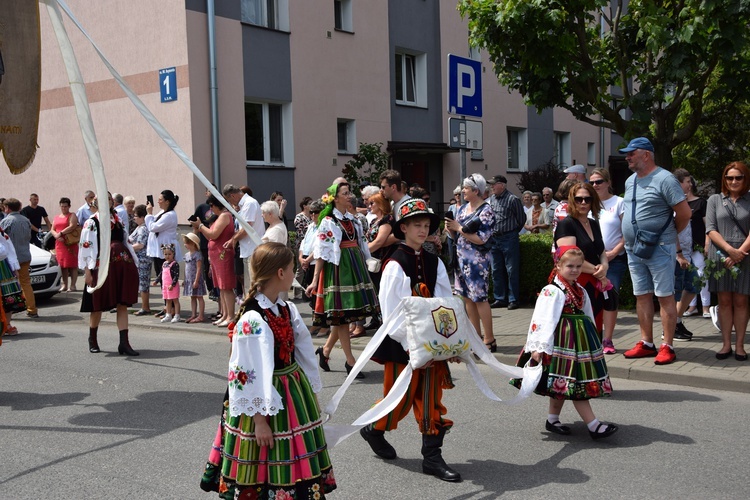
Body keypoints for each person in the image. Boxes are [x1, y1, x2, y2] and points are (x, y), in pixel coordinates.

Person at [199, 242, 336, 499]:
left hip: (293, 392)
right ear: (280, 273)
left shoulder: (287, 309)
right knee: (265, 453)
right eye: (292, 267)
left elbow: (305, 351)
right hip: (261, 399)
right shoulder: (253, 318)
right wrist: (260, 421)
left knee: (292, 451)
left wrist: (311, 392)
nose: (295, 272)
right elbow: (245, 372)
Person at [360, 198, 461, 482]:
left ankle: (432, 458)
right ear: (403, 227)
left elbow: (445, 302)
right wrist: (415, 347)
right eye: (417, 224)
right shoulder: (395, 263)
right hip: (403, 345)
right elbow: (391, 312)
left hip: (433, 345)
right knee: (399, 400)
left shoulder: (434, 261)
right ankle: (374, 429)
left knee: (431, 400)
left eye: (426, 225)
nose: (422, 229)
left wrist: (449, 343)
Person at [511, 246, 617, 439]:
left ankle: (552, 419)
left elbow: (588, 314)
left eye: (578, 266)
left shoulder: (580, 289)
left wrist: (593, 339)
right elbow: (542, 320)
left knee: (562, 383)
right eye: (570, 266)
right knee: (575, 385)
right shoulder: (552, 290)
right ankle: (593, 425)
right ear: (558, 265)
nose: (575, 270)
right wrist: (538, 347)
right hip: (560, 342)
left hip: (578, 344)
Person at [620, 137, 691, 365]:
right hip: (634, 248)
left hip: (659, 248)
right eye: (627, 154)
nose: (627, 157)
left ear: (646, 154)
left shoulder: (665, 179)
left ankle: (667, 345)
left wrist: (667, 236)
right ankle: (647, 342)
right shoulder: (630, 180)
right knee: (642, 295)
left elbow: (685, 214)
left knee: (664, 296)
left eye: (632, 153)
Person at [306, 180, 379, 378]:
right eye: (345, 193)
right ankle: (350, 361)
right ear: (335, 198)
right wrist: (314, 281)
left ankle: (326, 350)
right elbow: (321, 252)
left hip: (354, 268)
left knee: (344, 317)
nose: (349, 196)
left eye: (349, 192)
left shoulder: (354, 220)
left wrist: (368, 261)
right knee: (343, 317)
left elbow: (362, 244)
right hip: (338, 270)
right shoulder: (328, 221)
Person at [79, 193, 139, 356]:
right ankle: (93, 339)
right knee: (97, 306)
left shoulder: (118, 221)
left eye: (109, 199)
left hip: (120, 268)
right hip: (100, 267)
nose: (107, 202)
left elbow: (125, 242)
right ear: (96, 203)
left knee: (122, 304)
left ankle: (124, 343)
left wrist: (134, 262)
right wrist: (87, 271)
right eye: (102, 200)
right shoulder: (92, 222)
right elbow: (86, 247)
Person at [444, 174, 497, 351]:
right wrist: (450, 229)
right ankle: (476, 337)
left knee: (480, 298)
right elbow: (457, 235)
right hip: (461, 259)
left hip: (477, 260)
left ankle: (489, 339)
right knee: (467, 298)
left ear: (476, 191)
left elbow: (482, 239)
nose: (462, 191)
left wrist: (458, 228)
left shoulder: (486, 211)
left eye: (466, 188)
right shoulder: (463, 208)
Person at [706, 161, 750, 361]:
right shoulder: (714, 199)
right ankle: (725, 345)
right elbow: (711, 228)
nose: (733, 181)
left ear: (745, 178)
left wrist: (739, 251)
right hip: (721, 255)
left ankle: (740, 346)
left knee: (741, 301)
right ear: (724, 179)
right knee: (723, 301)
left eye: (738, 177)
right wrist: (730, 250)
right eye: (729, 177)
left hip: (745, 254)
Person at [554, 182, 609, 334]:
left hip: (595, 282)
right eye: (579, 199)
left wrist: (604, 267)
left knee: (595, 326)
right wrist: (598, 271)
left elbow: (602, 252)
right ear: (572, 200)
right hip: (575, 283)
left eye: (587, 199)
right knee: (578, 331)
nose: (583, 202)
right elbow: (570, 259)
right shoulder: (566, 224)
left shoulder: (593, 223)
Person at [589, 168, 626, 354]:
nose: (595, 185)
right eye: (592, 182)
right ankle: (592, 338)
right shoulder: (586, 204)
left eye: (599, 181)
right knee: (590, 300)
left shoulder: (619, 203)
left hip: (614, 260)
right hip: (589, 263)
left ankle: (608, 340)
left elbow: (627, 233)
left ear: (608, 182)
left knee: (610, 299)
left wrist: (614, 253)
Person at [191, 195, 235, 327]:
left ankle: (230, 316)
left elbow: (213, 234)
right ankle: (225, 315)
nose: (210, 208)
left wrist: (200, 226)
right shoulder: (220, 216)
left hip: (223, 255)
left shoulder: (225, 215)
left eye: (212, 205)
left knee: (226, 287)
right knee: (221, 287)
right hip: (217, 256)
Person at [487, 175, 526, 310]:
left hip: (509, 238)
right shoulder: (491, 199)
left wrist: (512, 232)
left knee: (511, 269)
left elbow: (521, 219)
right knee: (496, 269)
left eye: (493, 184)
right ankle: (500, 298)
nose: (491, 187)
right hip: (494, 239)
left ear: (502, 185)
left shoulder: (512, 199)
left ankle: (513, 299)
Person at [671, 168, 699, 341]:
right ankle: (671, 327)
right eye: (687, 181)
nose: (690, 184)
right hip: (677, 257)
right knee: (676, 292)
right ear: (679, 183)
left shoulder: (682, 201)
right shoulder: (673, 203)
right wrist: (679, 254)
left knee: (695, 285)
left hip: (686, 255)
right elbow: (672, 231)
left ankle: (676, 321)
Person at [222, 184, 264, 295]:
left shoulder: (249, 204)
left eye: (229, 200)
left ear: (232, 196)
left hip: (253, 250)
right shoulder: (246, 204)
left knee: (253, 286)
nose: (231, 204)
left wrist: (233, 240)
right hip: (248, 249)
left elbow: (246, 229)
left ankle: (256, 310)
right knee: (249, 286)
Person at [0, 198, 37, 318]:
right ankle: (32, 309)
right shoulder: (26, 220)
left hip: (11, 258)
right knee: (26, 283)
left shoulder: (6, 221)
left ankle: (12, 309)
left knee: (9, 285)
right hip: (25, 254)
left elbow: (3, 239)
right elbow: (29, 236)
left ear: (8, 208)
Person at [682, 176, 711, 318]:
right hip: (684, 247)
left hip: (698, 245)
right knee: (689, 277)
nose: (689, 185)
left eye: (690, 182)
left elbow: (708, 225)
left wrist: (707, 243)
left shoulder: (701, 203)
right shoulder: (679, 203)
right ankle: (692, 306)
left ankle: (706, 306)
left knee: (701, 275)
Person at [298, 200, 328, 336]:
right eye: (311, 212)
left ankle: (325, 324)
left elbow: (319, 246)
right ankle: (316, 322)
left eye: (315, 213)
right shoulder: (311, 226)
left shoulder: (324, 227)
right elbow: (304, 242)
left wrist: (308, 259)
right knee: (310, 295)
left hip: (317, 262)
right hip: (308, 263)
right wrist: (301, 258)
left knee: (319, 295)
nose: (312, 215)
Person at [145, 189, 182, 292]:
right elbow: (152, 222)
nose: (158, 201)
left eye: (160, 199)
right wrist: (150, 215)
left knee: (167, 278)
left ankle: (171, 305)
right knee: (161, 277)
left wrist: (149, 214)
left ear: (167, 202)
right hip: (159, 250)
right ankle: (167, 305)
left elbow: (153, 227)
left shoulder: (170, 215)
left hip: (166, 250)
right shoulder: (163, 212)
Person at [49, 197, 80, 292]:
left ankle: (73, 285)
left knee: (72, 265)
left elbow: (72, 226)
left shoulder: (72, 215)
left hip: (70, 243)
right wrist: (56, 235)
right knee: (62, 265)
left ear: (69, 206)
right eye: (62, 206)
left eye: (65, 206)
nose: (64, 208)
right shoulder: (56, 217)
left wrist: (61, 233)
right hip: (59, 244)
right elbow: (52, 229)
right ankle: (64, 284)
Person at [128, 204, 152, 316]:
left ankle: (145, 307)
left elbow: (140, 245)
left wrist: (127, 248)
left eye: (136, 216)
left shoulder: (143, 228)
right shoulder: (139, 227)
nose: (134, 218)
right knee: (141, 284)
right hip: (138, 259)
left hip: (143, 259)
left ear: (143, 217)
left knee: (143, 284)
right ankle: (144, 307)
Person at [0, 225, 23, 337]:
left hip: (4, 268)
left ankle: (7, 325)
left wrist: (14, 268)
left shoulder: (2, 234)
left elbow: (7, 251)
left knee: (8, 298)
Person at [182, 232, 206, 324]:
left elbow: (199, 268)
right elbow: (185, 268)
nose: (185, 245)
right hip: (189, 279)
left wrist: (196, 280)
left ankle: (201, 315)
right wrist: (185, 279)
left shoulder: (197, 254)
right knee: (192, 297)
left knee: (199, 297)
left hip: (196, 279)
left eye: (187, 243)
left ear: (193, 243)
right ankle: (193, 314)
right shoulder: (187, 255)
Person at [293, 196, 314, 299]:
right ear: (304, 206)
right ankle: (297, 292)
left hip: (310, 246)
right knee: (300, 268)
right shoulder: (299, 217)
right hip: (301, 245)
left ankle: (306, 290)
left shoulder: (311, 216)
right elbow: (301, 233)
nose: (311, 205)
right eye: (309, 203)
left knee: (308, 267)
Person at [159, 244, 181, 323]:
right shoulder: (164, 263)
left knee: (175, 300)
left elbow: (176, 276)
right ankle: (168, 315)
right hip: (166, 286)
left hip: (172, 286)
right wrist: (157, 280)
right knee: (168, 300)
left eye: (169, 254)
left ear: (173, 254)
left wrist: (173, 284)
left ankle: (177, 315)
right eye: (165, 254)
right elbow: (161, 273)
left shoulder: (175, 264)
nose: (167, 256)